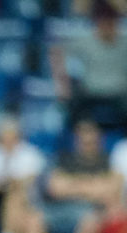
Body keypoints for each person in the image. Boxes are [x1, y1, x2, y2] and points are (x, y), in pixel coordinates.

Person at [48, 0, 127, 134]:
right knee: (70, 108)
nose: (107, 27)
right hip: (91, 90)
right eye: (103, 23)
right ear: (97, 24)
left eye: (111, 23)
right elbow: (56, 51)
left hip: (119, 91)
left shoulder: (124, 41)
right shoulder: (87, 41)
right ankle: (73, 145)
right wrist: (62, 85)